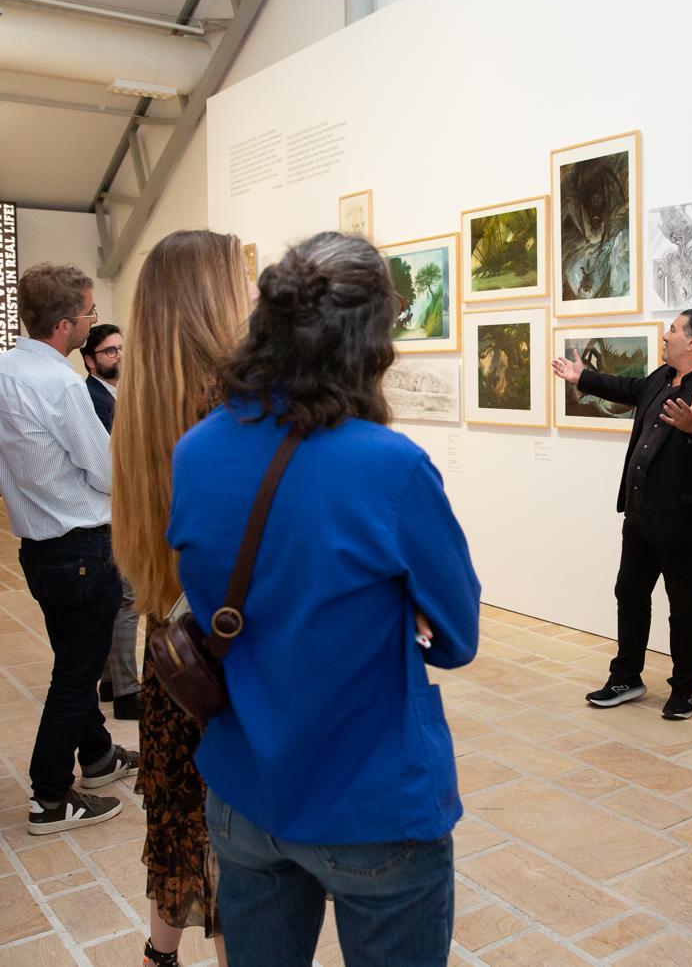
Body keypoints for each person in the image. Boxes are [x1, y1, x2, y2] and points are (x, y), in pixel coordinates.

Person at [168, 231, 480, 967]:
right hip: (369, 799)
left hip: (246, 790)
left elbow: (212, 586)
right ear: (371, 340)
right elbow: (459, 636)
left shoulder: (198, 448)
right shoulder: (389, 467)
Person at [111, 231, 252, 967]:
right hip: (225, 650)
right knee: (230, 823)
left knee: (177, 813)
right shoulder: (230, 412)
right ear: (217, 298)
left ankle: (159, 955)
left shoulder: (141, 407)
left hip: (169, 647)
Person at [0, 263, 139, 835]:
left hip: (39, 549)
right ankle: (49, 795)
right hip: (81, 549)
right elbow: (103, 472)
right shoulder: (64, 383)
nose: (93, 323)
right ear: (67, 324)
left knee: (74, 657)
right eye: (91, 316)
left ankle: (96, 757)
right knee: (75, 675)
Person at [552, 309, 692, 720]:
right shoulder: (660, 378)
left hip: (686, 523)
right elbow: (626, 387)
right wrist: (581, 377)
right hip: (641, 516)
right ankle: (626, 677)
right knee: (630, 596)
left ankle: (685, 688)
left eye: (674, 329)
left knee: (684, 608)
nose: (666, 335)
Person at [81, 323, 141, 721]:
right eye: (108, 351)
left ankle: (108, 680)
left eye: (121, 348)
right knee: (129, 598)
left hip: (120, 505)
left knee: (114, 598)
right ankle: (128, 691)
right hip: (112, 507)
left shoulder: (118, 393)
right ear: (89, 360)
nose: (117, 356)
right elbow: (113, 459)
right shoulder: (92, 398)